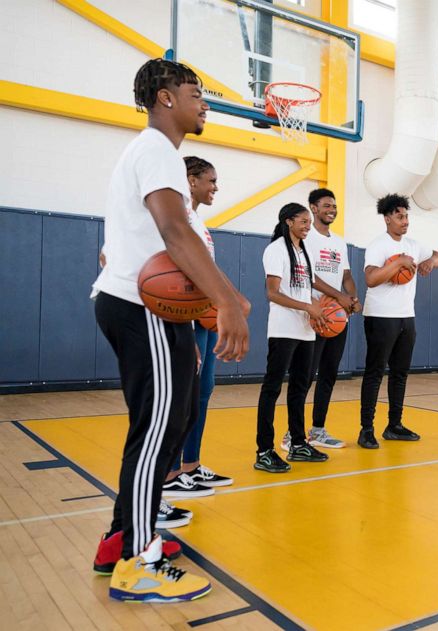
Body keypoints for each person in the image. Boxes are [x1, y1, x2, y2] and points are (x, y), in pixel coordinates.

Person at [90, 58, 250, 602]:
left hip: (151, 313)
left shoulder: (156, 152)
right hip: (141, 308)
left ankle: (122, 537)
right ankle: (137, 560)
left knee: (170, 422)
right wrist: (224, 301)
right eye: (195, 92)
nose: (204, 103)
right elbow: (174, 232)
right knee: (159, 430)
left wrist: (220, 296)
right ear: (165, 97)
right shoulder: (156, 148)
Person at [160, 156, 232, 498]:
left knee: (203, 392)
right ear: (191, 180)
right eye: (211, 180)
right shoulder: (175, 218)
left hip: (205, 317)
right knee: (182, 397)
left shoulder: (199, 223)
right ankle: (169, 473)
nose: (215, 187)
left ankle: (190, 464)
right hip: (182, 318)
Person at [255, 203, 342, 472]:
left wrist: (316, 311)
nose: (307, 226)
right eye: (303, 221)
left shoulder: (301, 251)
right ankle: (264, 450)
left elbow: (306, 288)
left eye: (308, 221)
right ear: (288, 221)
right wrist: (307, 307)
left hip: (305, 331)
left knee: (299, 388)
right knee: (272, 388)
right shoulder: (276, 250)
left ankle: (297, 443)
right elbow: (272, 293)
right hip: (283, 329)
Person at [358, 194, 438, 449]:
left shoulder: (414, 244)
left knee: (400, 373)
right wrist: (399, 264)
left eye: (406, 216)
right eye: (399, 216)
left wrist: (431, 261)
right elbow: (371, 279)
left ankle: (394, 425)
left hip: (407, 316)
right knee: (374, 373)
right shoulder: (378, 245)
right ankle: (367, 429)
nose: (405, 221)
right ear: (387, 219)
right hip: (380, 316)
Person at [284, 188, 361, 451]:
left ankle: (318, 430)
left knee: (328, 374)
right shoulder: (307, 238)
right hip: (315, 315)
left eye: (334, 206)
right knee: (304, 376)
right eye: (326, 205)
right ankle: (290, 433)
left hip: (337, 317)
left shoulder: (339, 242)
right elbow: (309, 277)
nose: (332, 210)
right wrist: (339, 296)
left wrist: (351, 298)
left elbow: (347, 275)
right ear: (313, 208)